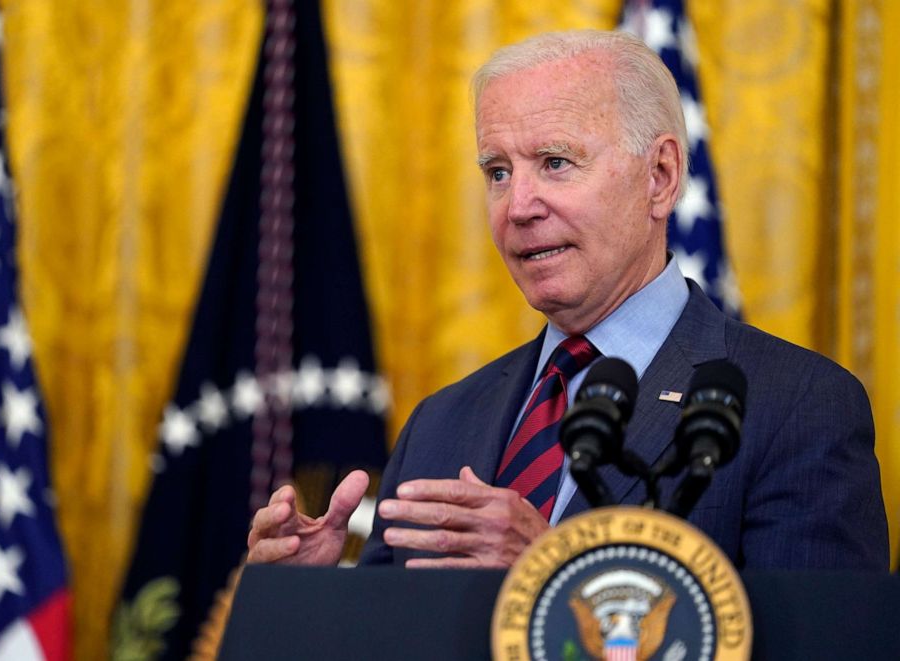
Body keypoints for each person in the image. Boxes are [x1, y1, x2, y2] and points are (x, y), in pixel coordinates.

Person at [247, 30, 890, 571]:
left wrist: (557, 569)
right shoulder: (440, 424)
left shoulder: (799, 408)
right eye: (498, 172)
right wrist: (312, 600)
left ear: (660, 178)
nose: (519, 207)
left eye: (555, 162)